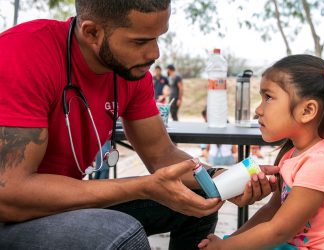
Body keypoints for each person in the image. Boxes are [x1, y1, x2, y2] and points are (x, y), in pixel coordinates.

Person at [0, 1, 278, 249]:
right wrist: (143, 186)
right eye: (140, 41)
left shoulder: (129, 70)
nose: (154, 53)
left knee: (198, 197)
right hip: (9, 215)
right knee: (118, 234)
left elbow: (162, 156)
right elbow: (9, 193)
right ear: (92, 32)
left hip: (58, 203)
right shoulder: (22, 53)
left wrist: (221, 178)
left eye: (158, 38)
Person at [199, 54, 324, 250]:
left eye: (268, 97)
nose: (258, 110)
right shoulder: (292, 154)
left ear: (307, 111)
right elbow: (272, 210)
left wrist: (223, 248)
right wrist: (228, 241)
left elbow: (279, 230)